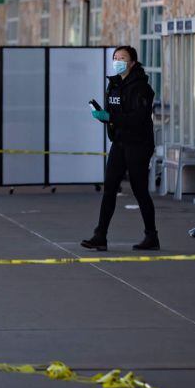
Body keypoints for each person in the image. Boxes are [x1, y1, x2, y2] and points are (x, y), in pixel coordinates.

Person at [81, 45, 159, 251]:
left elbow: (138, 118)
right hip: (120, 142)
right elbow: (114, 114)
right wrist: (102, 115)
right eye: (115, 57)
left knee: (139, 189)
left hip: (138, 144)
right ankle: (100, 235)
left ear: (132, 62)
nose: (118, 61)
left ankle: (152, 237)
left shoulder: (142, 87)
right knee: (110, 188)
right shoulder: (113, 85)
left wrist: (111, 117)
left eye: (122, 58)